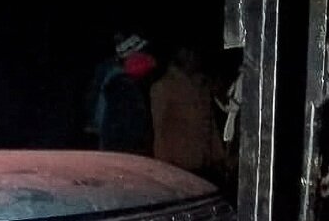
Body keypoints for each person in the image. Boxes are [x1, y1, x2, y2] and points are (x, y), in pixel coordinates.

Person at [150, 44, 225, 178]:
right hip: (179, 166)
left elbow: (209, 123)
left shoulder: (201, 85)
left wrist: (218, 156)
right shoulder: (163, 87)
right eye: (188, 52)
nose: (193, 57)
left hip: (205, 164)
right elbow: (159, 129)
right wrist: (162, 166)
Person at [87, 33, 159, 155]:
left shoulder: (123, 81)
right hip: (124, 153)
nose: (149, 58)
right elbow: (121, 129)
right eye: (143, 54)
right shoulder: (122, 85)